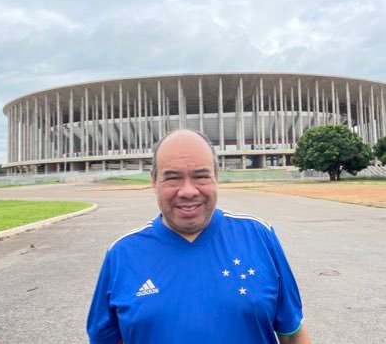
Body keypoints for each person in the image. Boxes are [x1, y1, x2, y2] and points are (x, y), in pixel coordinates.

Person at [87, 129, 311, 344]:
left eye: (201, 176)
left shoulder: (259, 236)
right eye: (173, 178)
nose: (188, 191)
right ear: (154, 180)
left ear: (216, 176)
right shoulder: (122, 254)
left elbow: (292, 334)